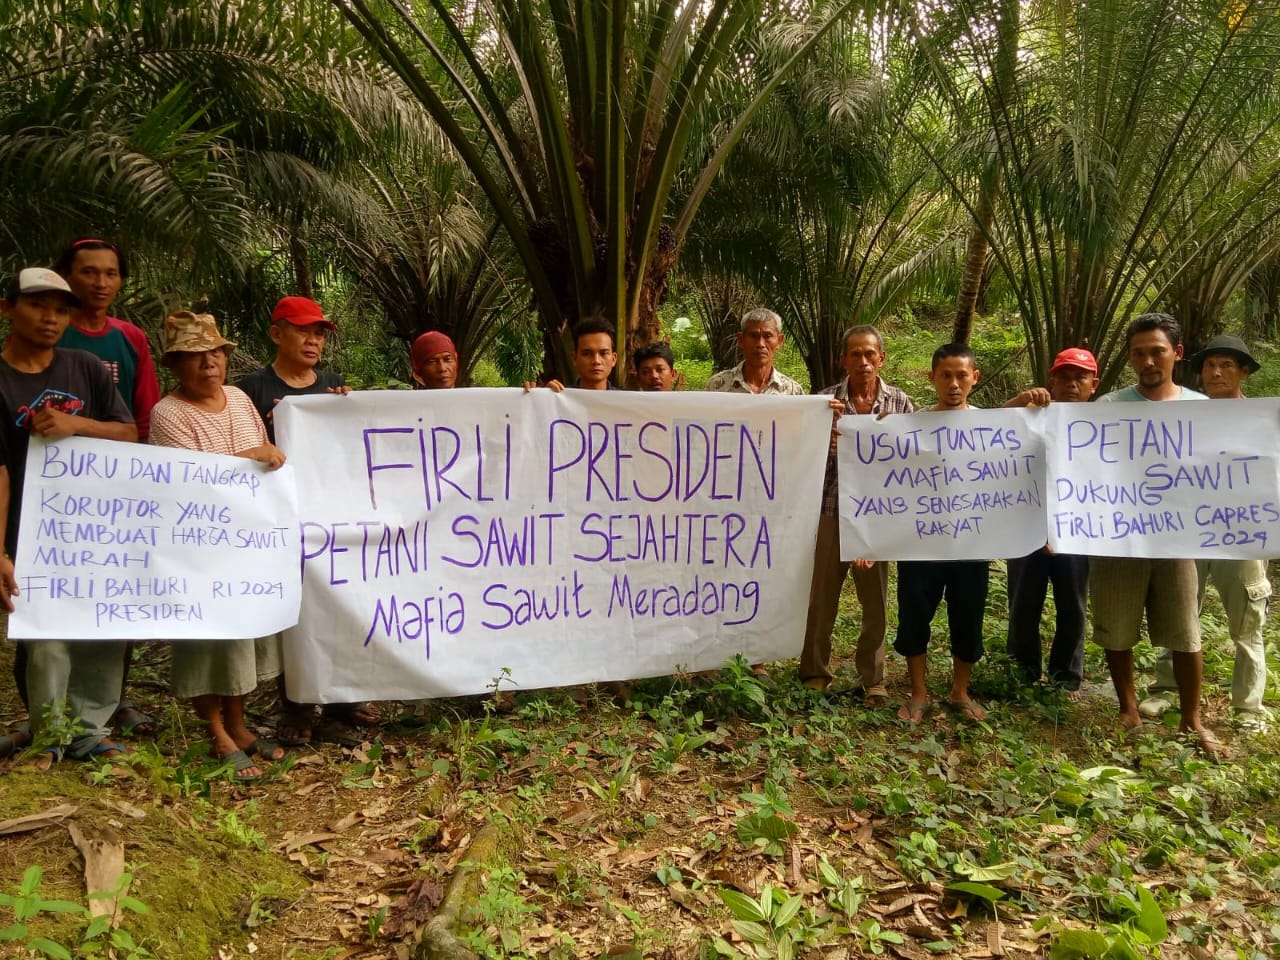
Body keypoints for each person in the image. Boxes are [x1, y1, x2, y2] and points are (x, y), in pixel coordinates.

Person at [0, 268, 137, 768]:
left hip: (101, 525)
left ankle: (90, 731)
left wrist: (75, 423)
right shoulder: (1, 378)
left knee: (102, 631)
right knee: (47, 637)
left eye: (60, 309)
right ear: (9, 308)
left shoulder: (85, 367)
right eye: (38, 306)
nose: (51, 317)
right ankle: (50, 735)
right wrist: (1, 550)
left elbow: (129, 435)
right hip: (33, 532)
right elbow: (0, 471)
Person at [150, 311, 288, 783]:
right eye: (194, 356)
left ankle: (240, 725)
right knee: (208, 641)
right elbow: (187, 480)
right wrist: (252, 458)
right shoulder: (168, 413)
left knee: (241, 638)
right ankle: (216, 731)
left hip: (248, 543)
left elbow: (268, 453)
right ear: (174, 364)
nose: (208, 363)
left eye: (214, 353)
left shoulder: (238, 399)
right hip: (199, 549)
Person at [1088, 313, 1224, 756]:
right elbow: (1085, 469)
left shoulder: (1202, 410)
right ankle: (1127, 709)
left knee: (1186, 632)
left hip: (1178, 541)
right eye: (1139, 353)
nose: (1148, 360)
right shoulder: (1108, 407)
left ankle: (1191, 719)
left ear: (1177, 354)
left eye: (1157, 351)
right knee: (1116, 628)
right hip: (1118, 538)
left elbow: (1225, 473)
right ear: (1130, 357)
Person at [237, 296, 370, 745]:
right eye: (302, 330)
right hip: (276, 518)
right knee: (288, 610)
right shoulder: (250, 389)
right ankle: (295, 706)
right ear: (277, 334)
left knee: (338, 603)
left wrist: (346, 411)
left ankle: (339, 704)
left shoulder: (333, 385)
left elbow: (353, 449)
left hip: (331, 515)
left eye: (319, 333)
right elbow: (239, 449)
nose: (313, 340)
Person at [55, 237, 163, 737]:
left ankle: (115, 698)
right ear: (68, 276)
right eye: (89, 272)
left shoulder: (130, 337)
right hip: (53, 483)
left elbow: (146, 412)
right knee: (52, 588)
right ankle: (51, 706)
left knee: (116, 588)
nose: (101, 283)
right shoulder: (52, 330)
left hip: (119, 480)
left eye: (111, 273)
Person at [1138, 334, 1272, 732]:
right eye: (1210, 365)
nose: (1216, 373)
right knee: (1178, 611)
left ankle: (1248, 708)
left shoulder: (1266, 419)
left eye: (1227, 365)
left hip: (1245, 534)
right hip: (1189, 533)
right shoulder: (1181, 417)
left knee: (1248, 621)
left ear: (1244, 372)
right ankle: (1166, 689)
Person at [801, 326, 913, 697]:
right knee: (821, 596)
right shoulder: (823, 404)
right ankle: (815, 671)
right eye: (855, 355)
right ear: (843, 360)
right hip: (831, 510)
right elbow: (798, 460)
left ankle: (873, 678)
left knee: (875, 602)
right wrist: (822, 440)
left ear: (881, 357)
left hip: (877, 515)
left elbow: (911, 464)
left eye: (870, 354)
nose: (863, 362)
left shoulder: (900, 404)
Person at [894, 343, 989, 724]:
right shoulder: (911, 428)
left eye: (961, 375)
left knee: (968, 616)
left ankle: (959, 692)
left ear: (974, 378)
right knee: (914, 614)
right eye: (945, 375)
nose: (953, 384)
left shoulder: (992, 428)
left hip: (971, 543)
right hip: (920, 544)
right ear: (931, 377)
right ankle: (918, 693)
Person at [1001, 348, 1100, 697]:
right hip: (1026, 528)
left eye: (1080, 377)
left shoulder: (1106, 427)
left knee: (1072, 604)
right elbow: (985, 434)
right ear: (1052, 379)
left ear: (1093, 385)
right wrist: (1019, 400)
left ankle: (1066, 678)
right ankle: (1021, 672)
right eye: (1064, 376)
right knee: (1023, 602)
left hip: (1077, 533)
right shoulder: (1030, 415)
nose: (1072, 383)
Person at [705, 308, 805, 396]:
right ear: (741, 340)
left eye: (768, 336)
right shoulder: (717, 386)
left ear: (779, 341)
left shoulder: (793, 392)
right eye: (753, 336)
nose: (760, 344)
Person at [531, 317, 619, 392]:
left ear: (614, 359)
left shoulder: (627, 403)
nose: (596, 361)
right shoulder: (558, 397)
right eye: (587, 354)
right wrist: (536, 397)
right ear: (574, 358)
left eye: (603, 353)